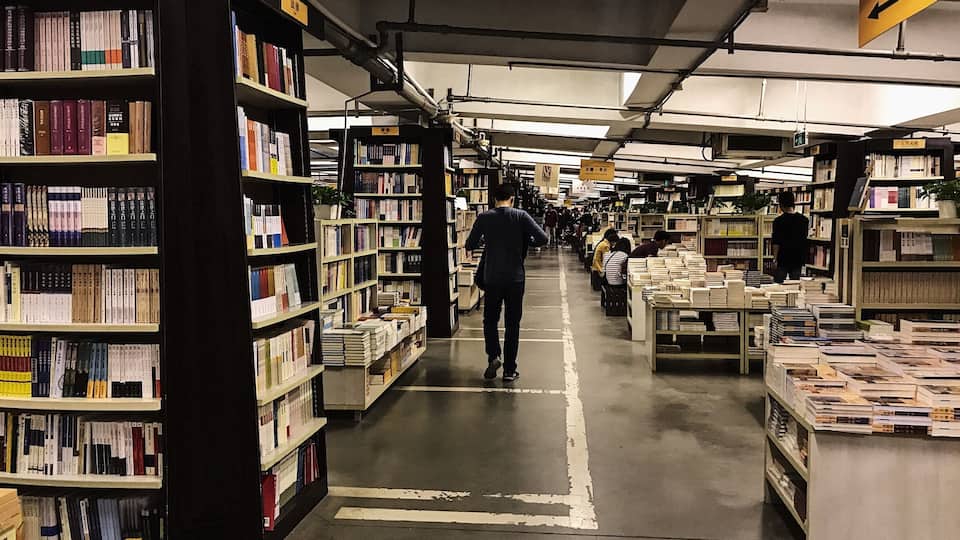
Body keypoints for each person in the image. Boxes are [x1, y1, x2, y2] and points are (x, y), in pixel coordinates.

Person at [465, 184, 548, 382]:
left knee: (490, 320)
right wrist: (525, 241)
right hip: (515, 278)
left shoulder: (485, 217)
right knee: (513, 324)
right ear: (512, 198)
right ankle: (510, 370)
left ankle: (494, 356)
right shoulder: (521, 216)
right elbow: (543, 238)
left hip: (492, 277)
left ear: (494, 199)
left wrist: (488, 241)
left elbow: (470, 244)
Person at [771, 191, 809, 283]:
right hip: (797, 258)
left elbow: (776, 242)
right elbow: (804, 239)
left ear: (781, 204)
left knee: (779, 286)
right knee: (794, 286)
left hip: (783, 257)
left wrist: (775, 259)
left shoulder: (778, 221)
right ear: (793, 202)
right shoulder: (804, 220)